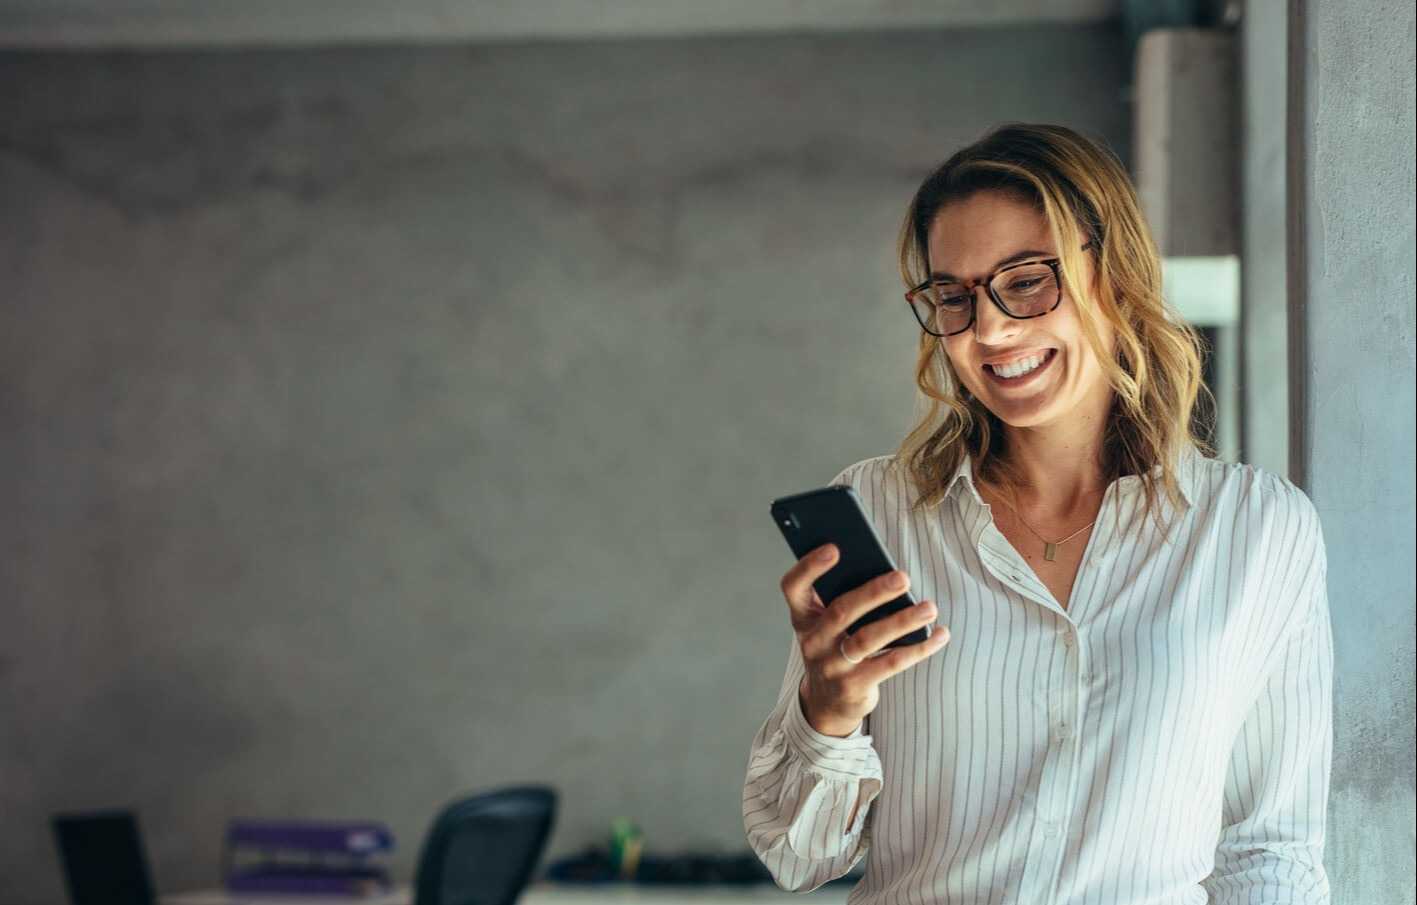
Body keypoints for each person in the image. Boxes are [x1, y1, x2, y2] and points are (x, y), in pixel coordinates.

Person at [741, 123, 1333, 903]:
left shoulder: (1259, 530)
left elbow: (1270, 851)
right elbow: (797, 854)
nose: (988, 329)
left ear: (1112, 273)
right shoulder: (884, 512)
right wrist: (829, 711)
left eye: (1025, 280)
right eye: (953, 296)